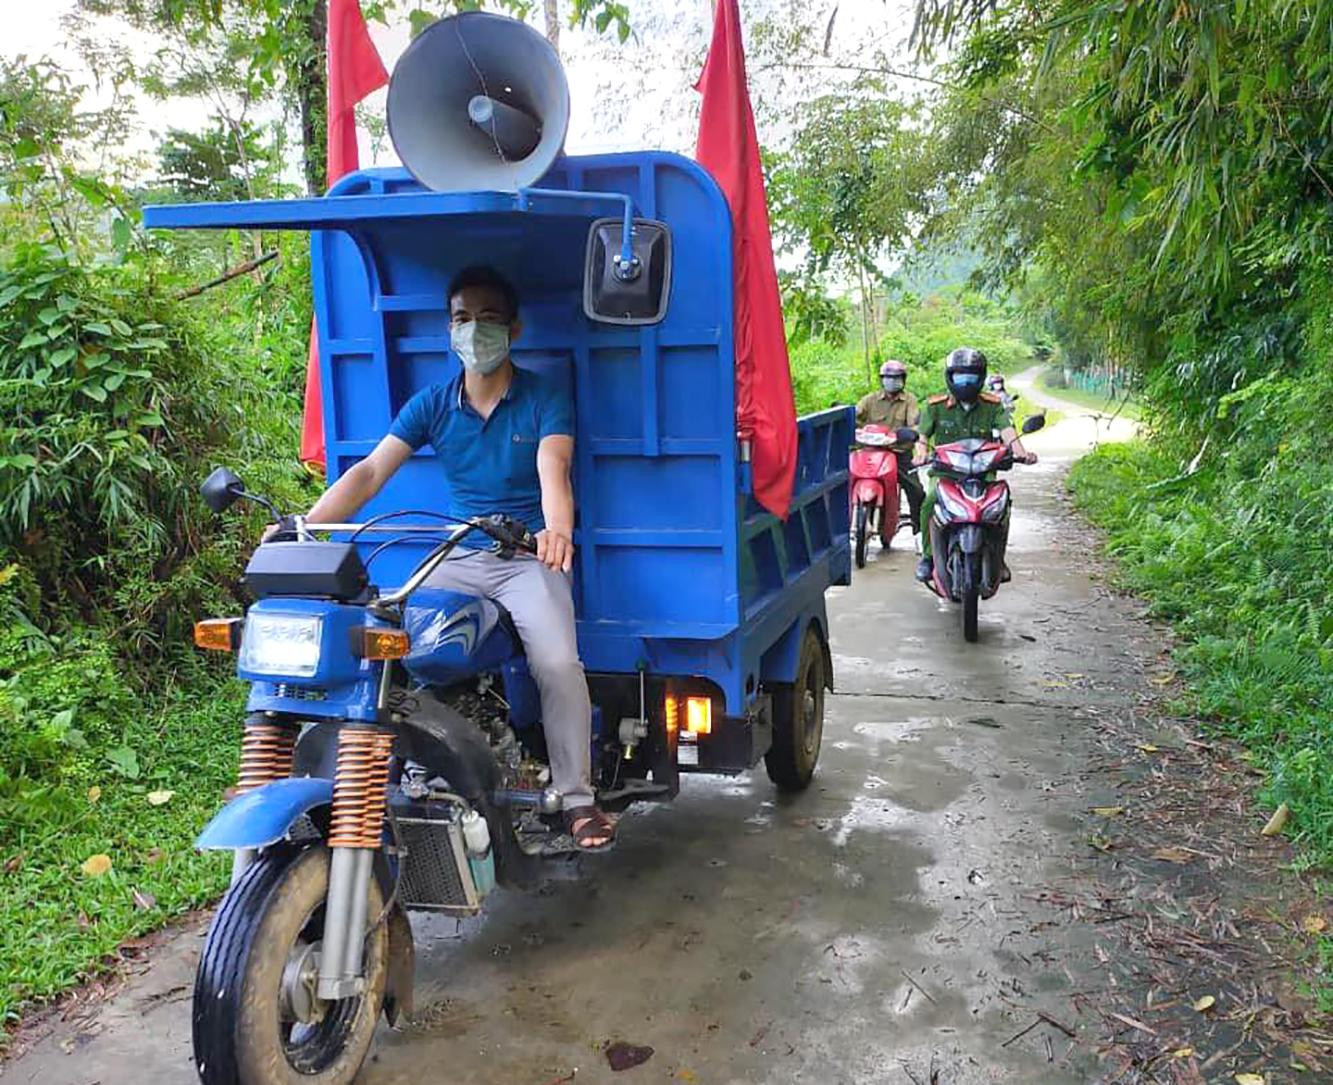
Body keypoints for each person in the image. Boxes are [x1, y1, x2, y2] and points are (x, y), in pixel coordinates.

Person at [285, 265, 614, 851]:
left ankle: (578, 798)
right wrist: (305, 527)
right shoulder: (433, 404)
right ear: (448, 329)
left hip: (525, 556)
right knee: (386, 637)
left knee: (560, 664)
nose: (474, 330)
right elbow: (368, 472)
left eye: (488, 319)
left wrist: (556, 531)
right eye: (463, 318)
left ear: (514, 329)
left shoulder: (543, 398)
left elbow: (553, 470)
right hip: (459, 553)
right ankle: (387, 773)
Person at [913, 347, 1037, 583]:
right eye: (960, 376)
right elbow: (922, 438)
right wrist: (920, 454)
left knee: (1001, 507)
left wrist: (1021, 453)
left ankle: (998, 559)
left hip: (983, 474)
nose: (966, 382)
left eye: (971, 376)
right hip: (946, 473)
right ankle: (928, 558)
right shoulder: (934, 406)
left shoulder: (993, 405)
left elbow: (1008, 432)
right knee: (930, 501)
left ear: (981, 377)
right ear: (950, 377)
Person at [855, 359, 925, 537]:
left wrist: (909, 434)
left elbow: (915, 424)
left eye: (896, 377)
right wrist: (849, 422)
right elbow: (855, 414)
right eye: (888, 377)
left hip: (898, 453)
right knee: (845, 480)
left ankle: (920, 533)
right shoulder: (870, 400)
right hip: (871, 452)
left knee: (916, 491)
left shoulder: (909, 400)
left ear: (903, 379)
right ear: (882, 379)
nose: (892, 381)